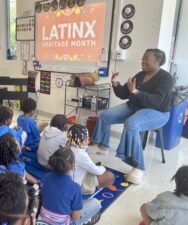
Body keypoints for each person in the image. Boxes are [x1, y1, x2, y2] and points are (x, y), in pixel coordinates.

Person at [91, 49, 174, 184]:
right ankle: (102, 147)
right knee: (105, 115)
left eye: (146, 59)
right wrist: (115, 83)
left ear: (157, 61)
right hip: (135, 106)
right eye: (142, 58)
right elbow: (125, 93)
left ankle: (138, 167)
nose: (142, 61)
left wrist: (135, 91)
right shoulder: (141, 75)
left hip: (157, 112)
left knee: (131, 124)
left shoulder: (166, 78)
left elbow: (156, 101)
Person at [37, 147, 101, 225]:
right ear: (72, 167)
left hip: (42, 221)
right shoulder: (75, 188)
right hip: (65, 222)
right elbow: (75, 217)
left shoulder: (46, 177)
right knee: (96, 203)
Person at [0, 134, 37, 209]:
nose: (19, 142)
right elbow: (20, 183)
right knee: (32, 193)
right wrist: (37, 183)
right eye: (17, 142)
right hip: (6, 207)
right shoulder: (17, 166)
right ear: (15, 149)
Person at [68, 124, 115, 195]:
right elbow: (97, 171)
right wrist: (103, 168)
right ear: (81, 142)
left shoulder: (65, 146)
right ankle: (90, 189)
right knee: (110, 176)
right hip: (75, 186)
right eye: (87, 138)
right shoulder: (80, 154)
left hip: (65, 182)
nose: (88, 140)